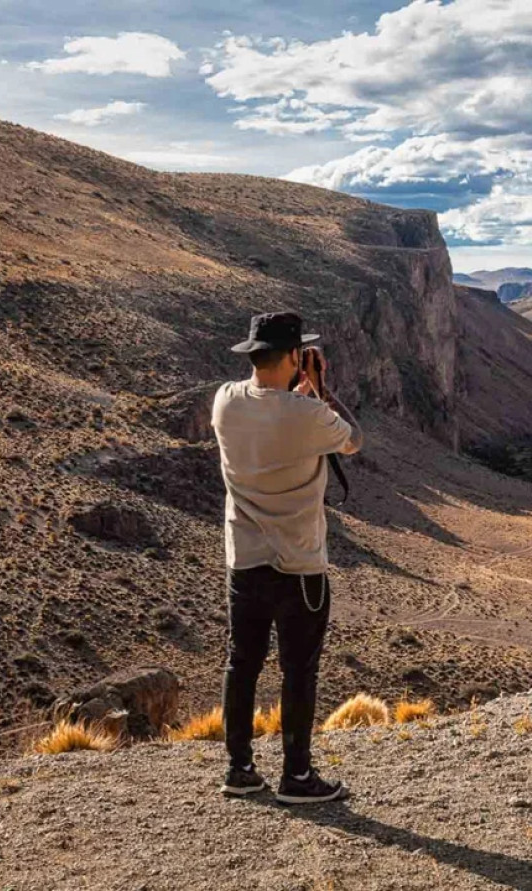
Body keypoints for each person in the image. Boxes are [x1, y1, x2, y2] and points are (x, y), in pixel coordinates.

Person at [211, 311, 364, 804]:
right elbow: (353, 439)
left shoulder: (226, 402)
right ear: (296, 356)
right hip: (300, 567)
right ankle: (297, 777)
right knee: (299, 671)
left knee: (242, 663)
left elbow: (267, 410)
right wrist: (320, 388)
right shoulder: (308, 415)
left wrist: (298, 392)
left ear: (252, 354)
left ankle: (239, 769)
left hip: (244, 561)